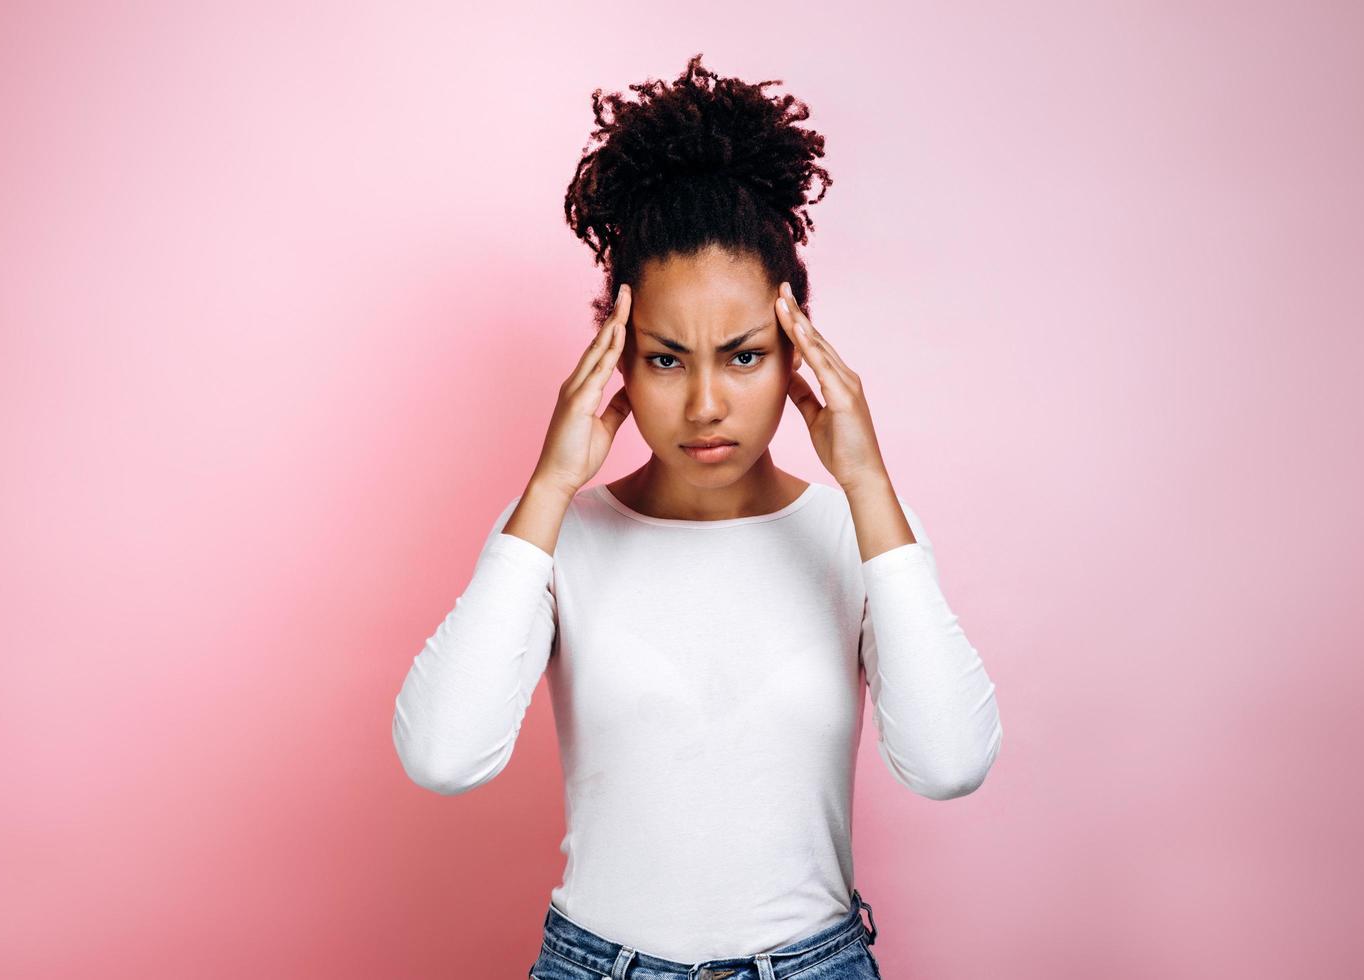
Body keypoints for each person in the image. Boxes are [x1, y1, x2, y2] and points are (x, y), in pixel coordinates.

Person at [393, 53, 1003, 980]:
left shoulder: (855, 532)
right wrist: (550, 488)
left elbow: (949, 761)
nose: (707, 402)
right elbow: (442, 755)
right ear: (617, 360)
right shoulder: (559, 535)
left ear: (798, 346)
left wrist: (868, 483)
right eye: (668, 360)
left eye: (745, 356)